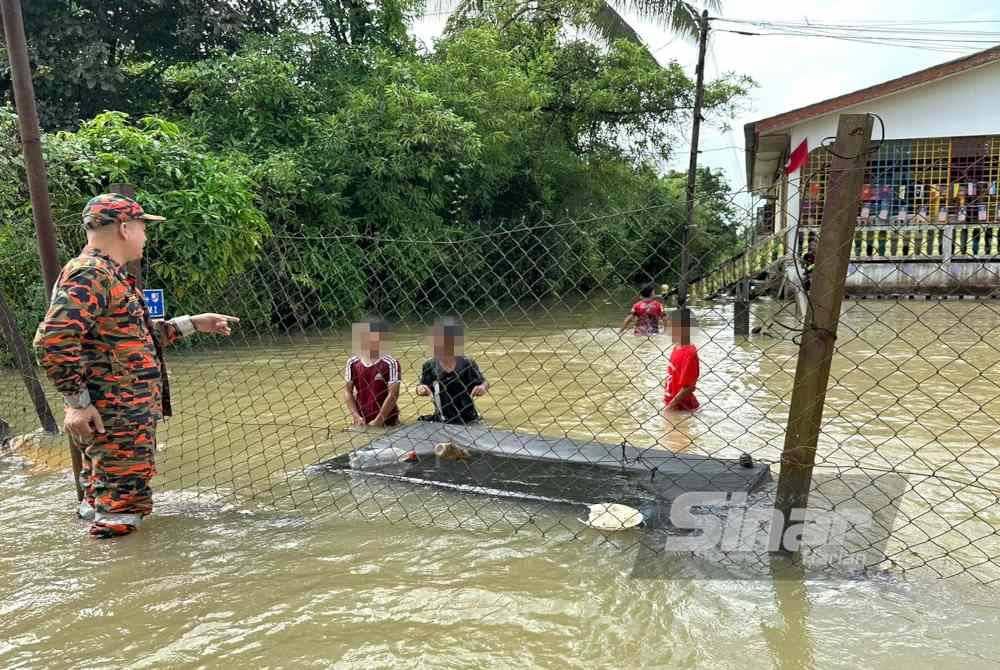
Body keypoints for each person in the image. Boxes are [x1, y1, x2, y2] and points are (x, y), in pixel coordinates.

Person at [33, 193, 238, 539]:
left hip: (118, 418)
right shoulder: (91, 274)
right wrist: (77, 403)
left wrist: (193, 323)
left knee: (105, 501)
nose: (146, 235)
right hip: (116, 419)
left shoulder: (106, 275)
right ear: (125, 228)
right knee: (120, 515)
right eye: (144, 227)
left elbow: (130, 338)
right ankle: (117, 581)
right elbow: (53, 340)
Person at [415, 317, 488, 424]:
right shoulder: (429, 365)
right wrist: (420, 389)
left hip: (468, 419)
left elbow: (484, 383)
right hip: (442, 418)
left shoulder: (467, 363)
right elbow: (422, 386)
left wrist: (482, 387)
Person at [344, 318, 401, 427]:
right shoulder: (352, 362)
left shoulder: (390, 363)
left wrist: (379, 420)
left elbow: (393, 394)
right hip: (361, 419)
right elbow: (347, 391)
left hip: (388, 421)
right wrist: (355, 416)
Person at [663, 308, 700, 411]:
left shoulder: (689, 353)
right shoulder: (676, 347)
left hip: (683, 408)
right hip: (673, 403)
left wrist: (670, 407)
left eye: (671, 327)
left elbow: (688, 387)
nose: (667, 330)